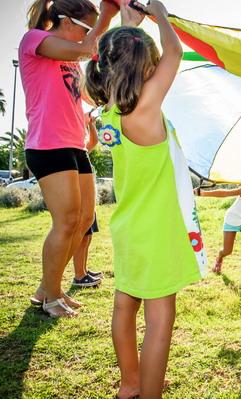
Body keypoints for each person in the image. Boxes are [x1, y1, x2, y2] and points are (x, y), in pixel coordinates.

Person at [85, 2, 207, 398]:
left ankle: (130, 384)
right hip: (157, 230)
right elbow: (173, 53)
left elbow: (121, 56)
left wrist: (129, 24)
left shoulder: (109, 114)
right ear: (147, 71)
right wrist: (160, 13)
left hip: (129, 228)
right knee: (159, 320)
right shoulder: (146, 109)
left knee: (125, 307)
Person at [21, 0, 118, 317]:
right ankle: (51, 299)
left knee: (83, 220)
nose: (86, 37)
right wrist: (107, 14)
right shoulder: (35, 40)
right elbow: (84, 50)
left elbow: (90, 91)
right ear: (66, 21)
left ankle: (48, 289)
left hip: (74, 145)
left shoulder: (72, 60)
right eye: (86, 28)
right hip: (48, 145)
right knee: (64, 223)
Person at [72, 113, 103, 288]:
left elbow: (93, 142)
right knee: (82, 237)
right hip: (80, 200)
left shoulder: (81, 145)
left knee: (88, 236)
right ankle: (79, 275)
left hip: (87, 198)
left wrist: (91, 124)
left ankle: (83, 270)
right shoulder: (71, 146)